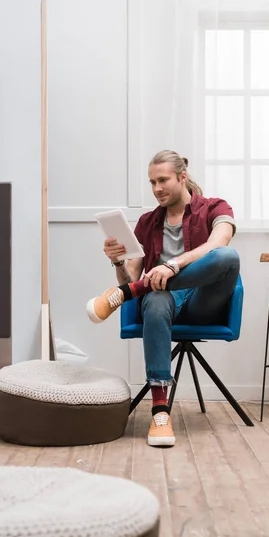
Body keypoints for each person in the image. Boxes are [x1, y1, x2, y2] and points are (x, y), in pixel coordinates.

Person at [86, 150, 239, 447]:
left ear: (182, 177)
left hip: (201, 301)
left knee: (228, 257)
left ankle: (131, 294)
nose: (157, 188)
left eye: (163, 180)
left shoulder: (216, 207)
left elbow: (219, 243)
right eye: (152, 182)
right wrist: (118, 263)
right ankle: (159, 411)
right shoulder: (147, 222)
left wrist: (173, 264)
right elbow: (131, 276)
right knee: (154, 298)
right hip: (160, 301)